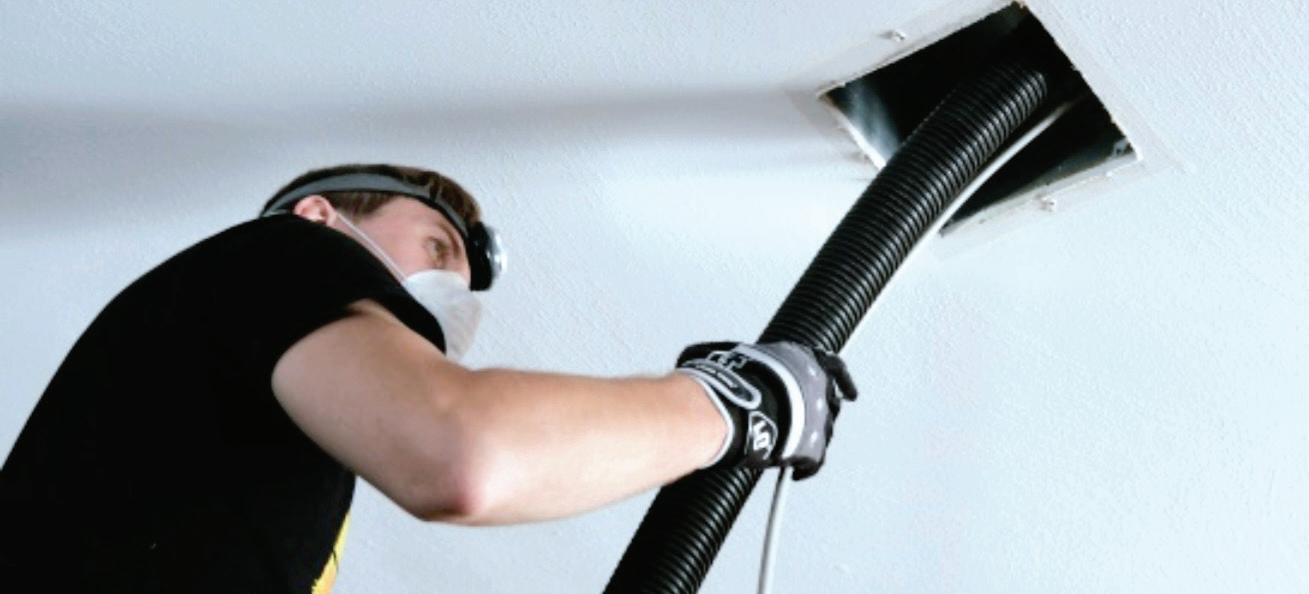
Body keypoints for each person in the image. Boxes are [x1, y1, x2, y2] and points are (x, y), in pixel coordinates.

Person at [0, 163, 857, 593]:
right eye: (438, 248)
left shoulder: (262, 454)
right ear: (319, 215)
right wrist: (734, 402)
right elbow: (464, 455)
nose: (453, 292)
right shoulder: (284, 252)